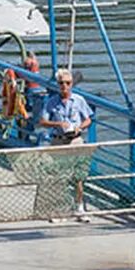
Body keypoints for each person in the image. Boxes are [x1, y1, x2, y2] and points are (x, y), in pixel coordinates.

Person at [38, 68, 94, 218]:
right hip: (59, 141)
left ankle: (80, 207)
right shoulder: (51, 102)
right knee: (57, 175)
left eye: (68, 83)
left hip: (75, 140)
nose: (65, 86)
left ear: (72, 84)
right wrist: (57, 124)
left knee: (78, 176)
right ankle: (58, 209)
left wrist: (79, 127)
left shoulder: (79, 100)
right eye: (61, 83)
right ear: (58, 84)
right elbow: (42, 121)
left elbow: (88, 119)